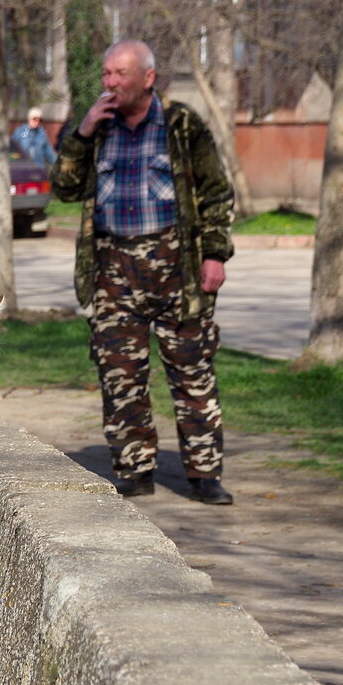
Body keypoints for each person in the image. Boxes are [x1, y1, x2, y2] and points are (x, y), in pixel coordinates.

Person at [49, 39, 236, 505]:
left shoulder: (181, 124)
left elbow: (215, 192)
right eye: (107, 74)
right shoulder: (94, 127)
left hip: (177, 268)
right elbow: (64, 189)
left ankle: (204, 475)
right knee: (119, 373)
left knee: (192, 371)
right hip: (113, 269)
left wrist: (215, 254)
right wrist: (84, 132)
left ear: (147, 77)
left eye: (120, 74)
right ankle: (134, 470)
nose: (110, 83)